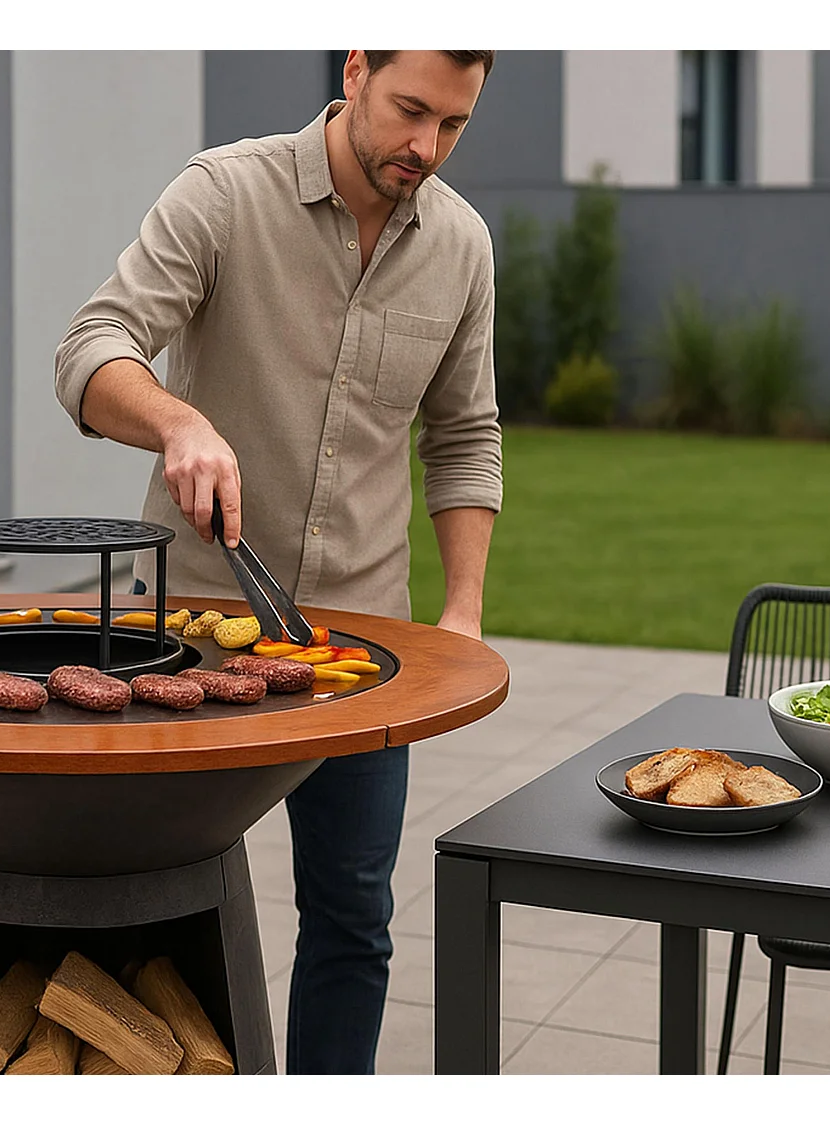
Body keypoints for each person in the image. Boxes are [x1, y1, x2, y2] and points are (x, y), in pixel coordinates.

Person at [53, 49, 502, 1074]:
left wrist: (463, 612)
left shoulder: (463, 244)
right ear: (355, 71)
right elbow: (90, 348)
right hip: (189, 636)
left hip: (360, 646)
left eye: (455, 125)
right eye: (409, 111)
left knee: (353, 916)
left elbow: (465, 436)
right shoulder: (224, 193)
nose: (424, 148)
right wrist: (175, 422)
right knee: (155, 904)